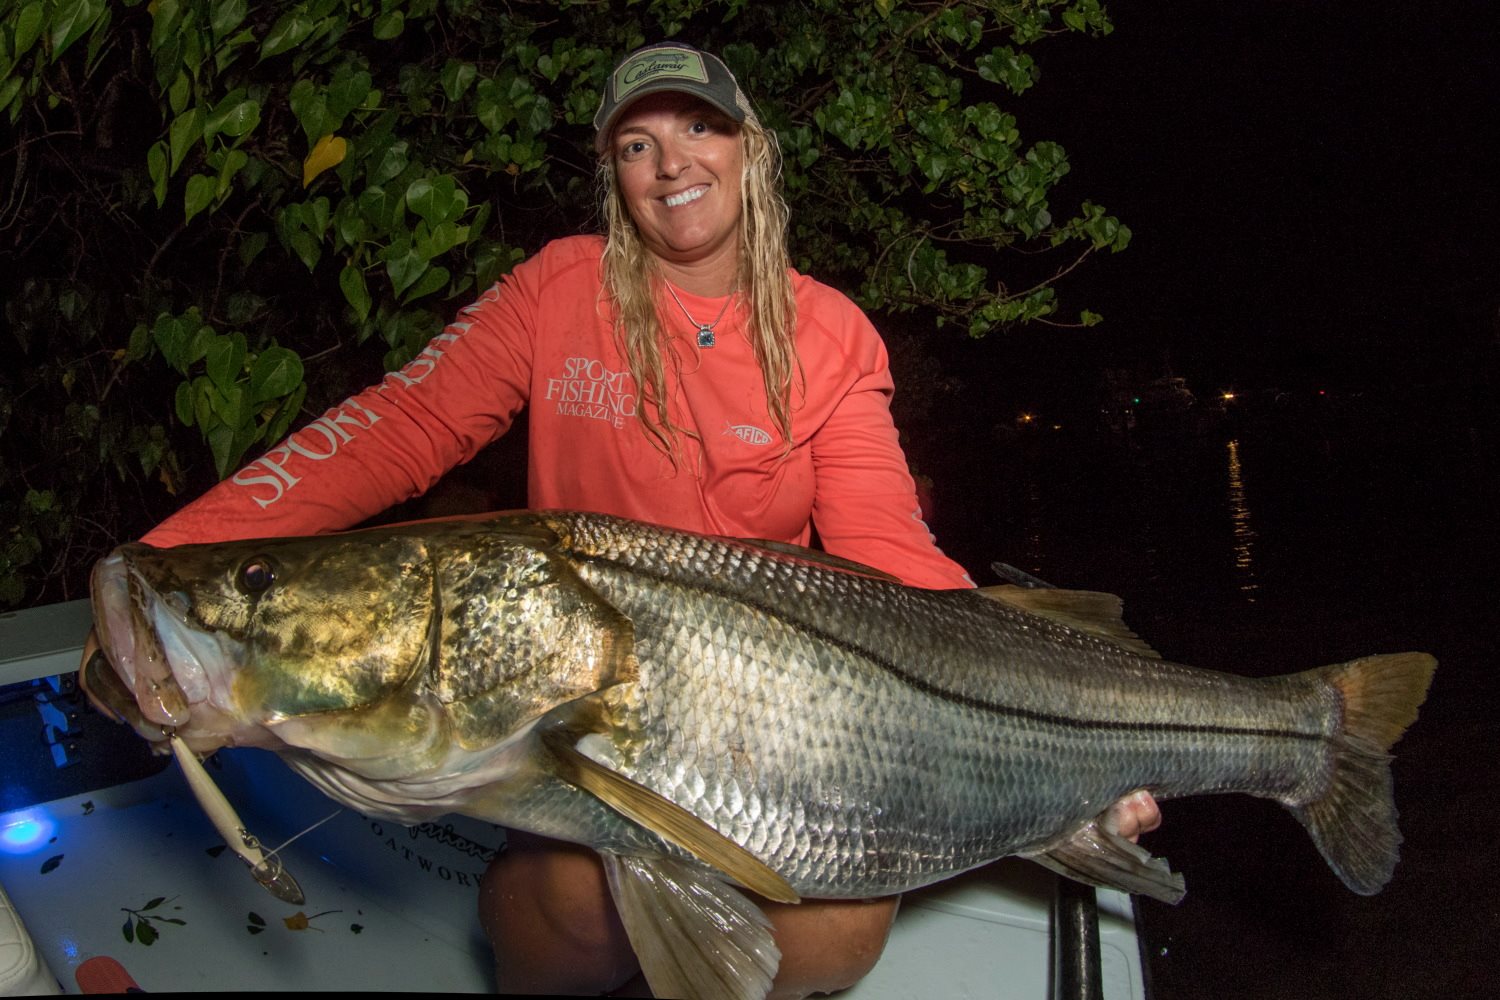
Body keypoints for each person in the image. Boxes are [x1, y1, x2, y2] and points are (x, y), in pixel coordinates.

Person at [85, 42, 1160, 997]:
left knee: (838, 930)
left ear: (753, 153)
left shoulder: (831, 334)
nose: (672, 161)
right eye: (636, 144)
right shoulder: (560, 291)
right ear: (615, 177)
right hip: (576, 693)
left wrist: (1074, 732)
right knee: (567, 915)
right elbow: (402, 425)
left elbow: (891, 554)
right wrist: (175, 566)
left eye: (700, 127)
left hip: (773, 712)